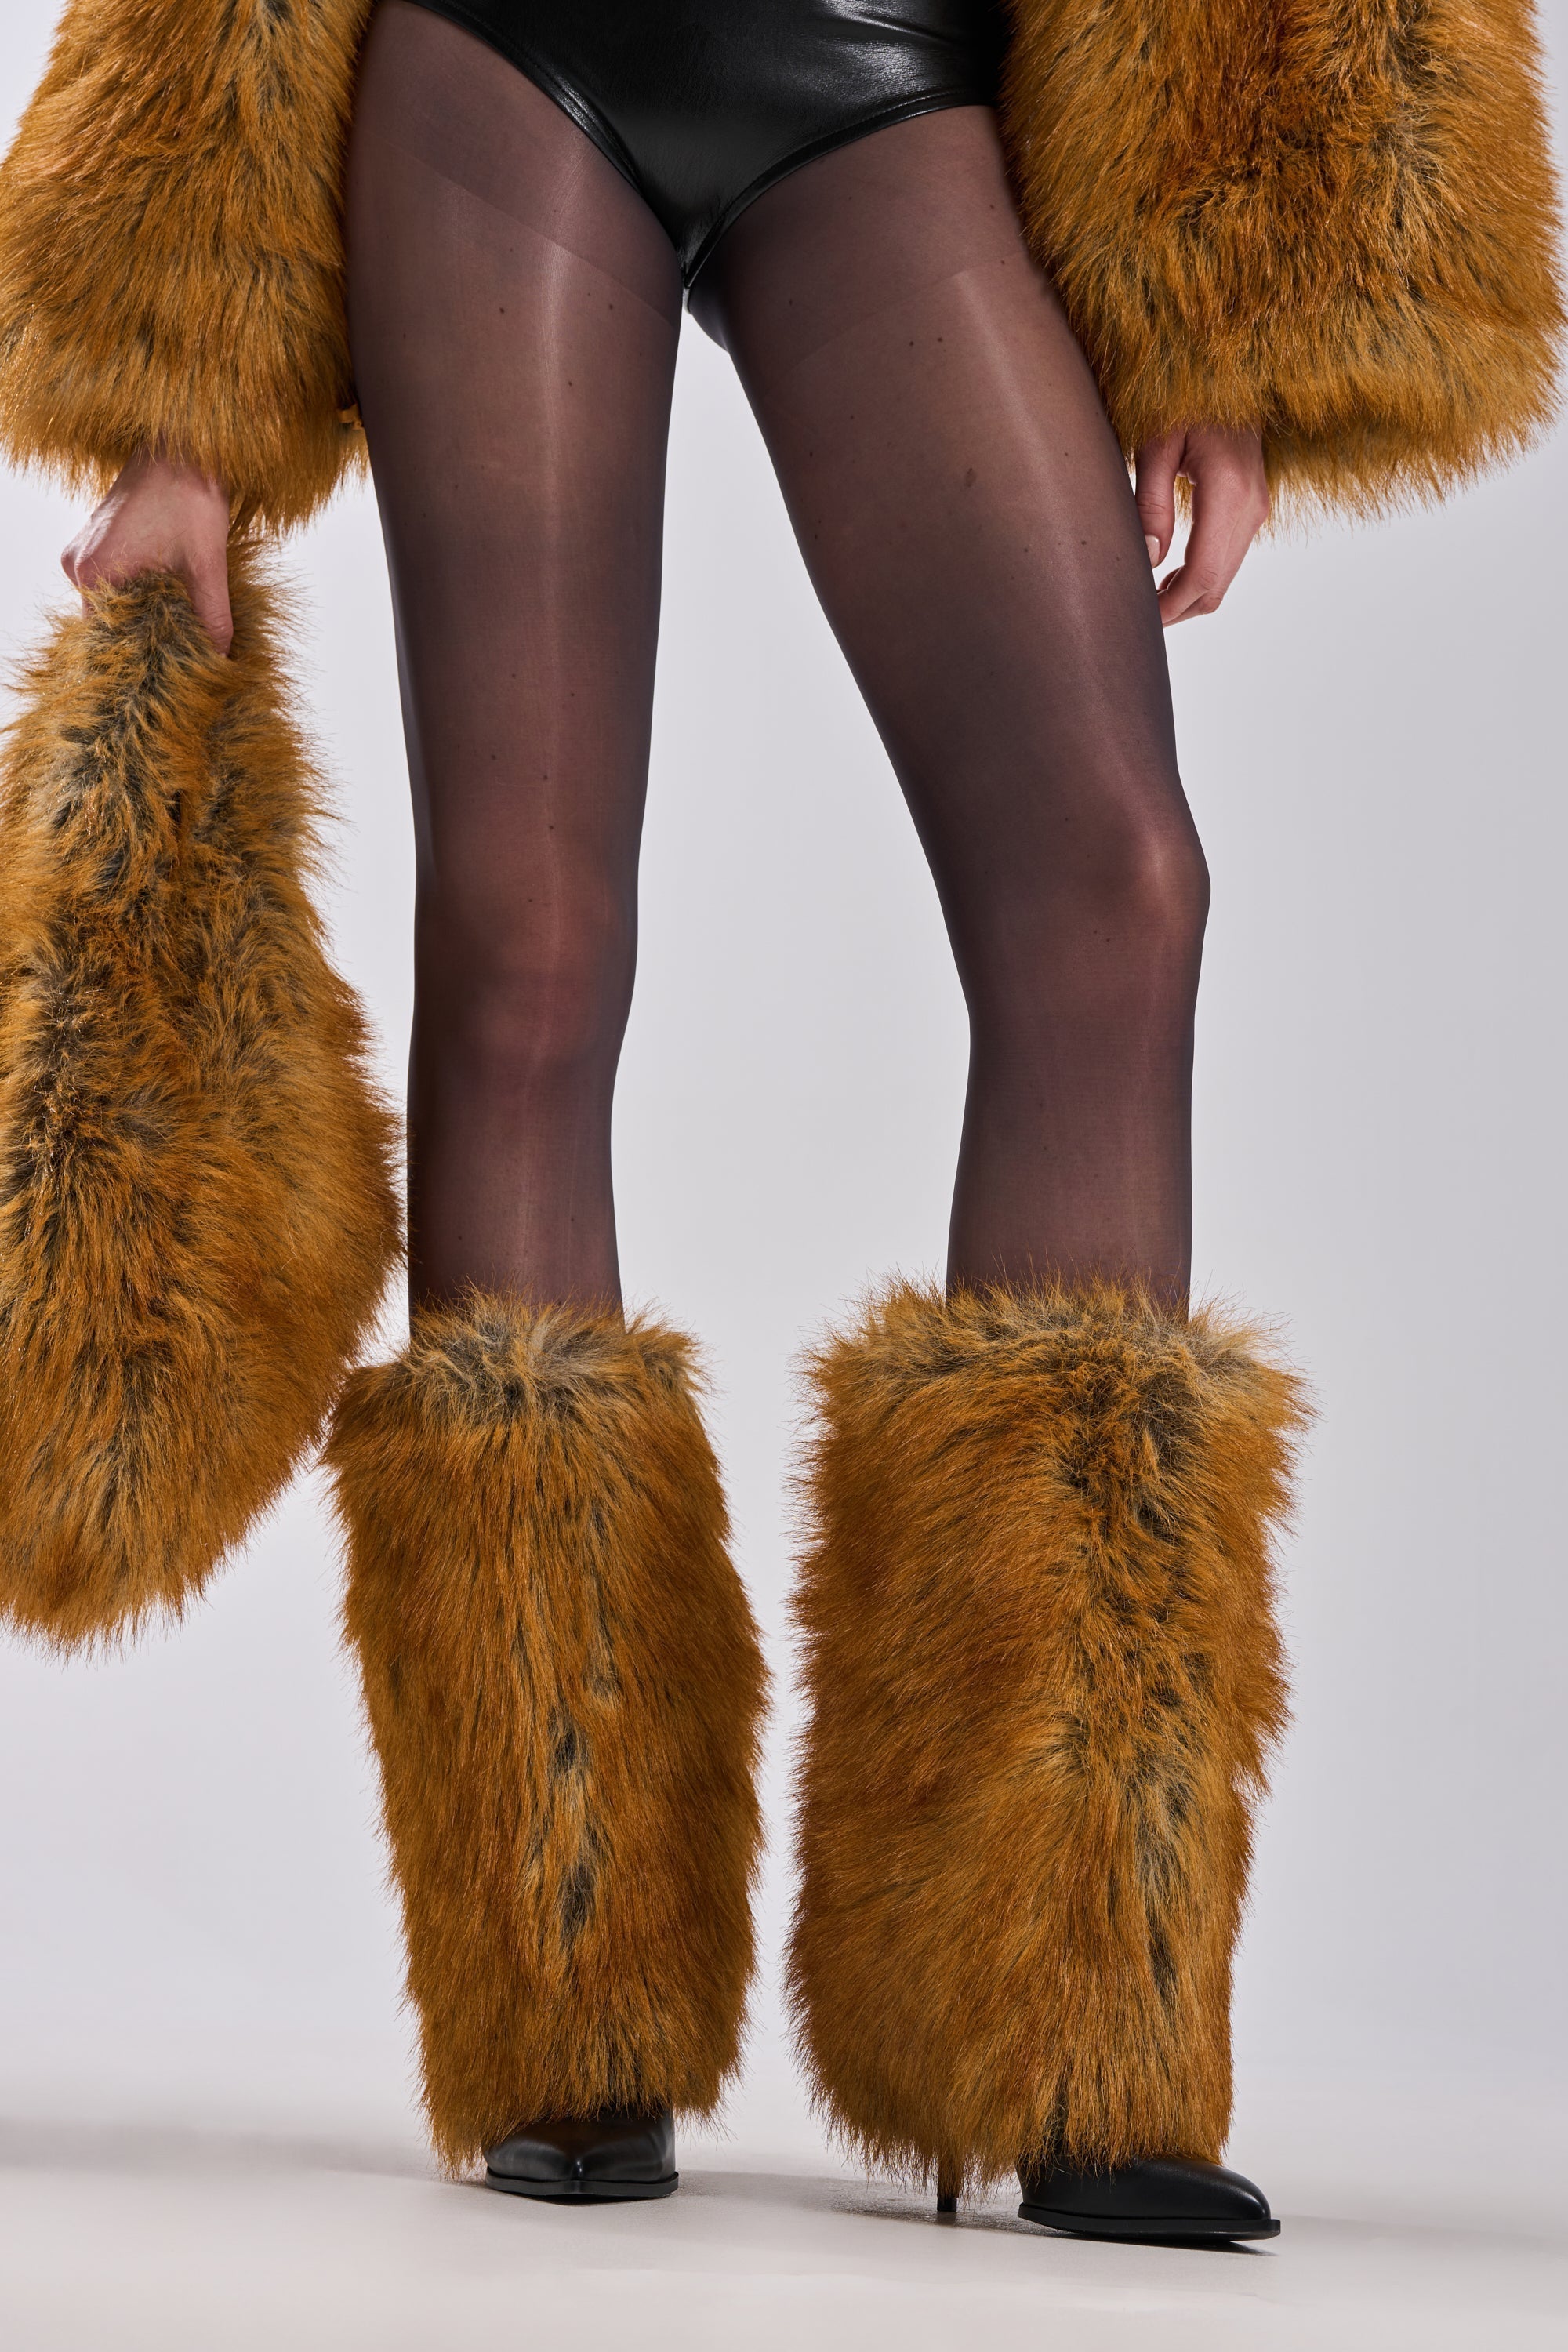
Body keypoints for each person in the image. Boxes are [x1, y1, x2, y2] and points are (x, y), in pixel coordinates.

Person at [2, 0, 1561, 2241]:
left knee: (1113, 887)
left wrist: (1224, 317)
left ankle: (1058, 2013)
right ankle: (564, 1996)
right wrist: (176, 405)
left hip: (879, 53)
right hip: (503, 53)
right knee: (530, 946)